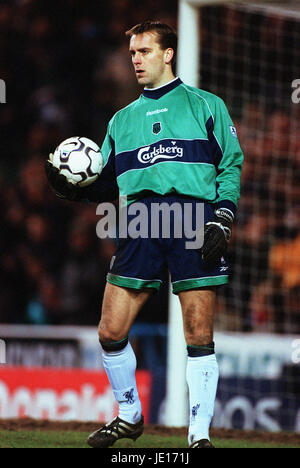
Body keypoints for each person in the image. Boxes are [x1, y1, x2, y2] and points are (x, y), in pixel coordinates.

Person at [45, 21, 243, 449]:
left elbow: (230, 165)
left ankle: (198, 436)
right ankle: (130, 414)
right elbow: (103, 180)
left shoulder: (207, 105)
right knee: (110, 330)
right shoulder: (121, 121)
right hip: (140, 222)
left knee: (198, 333)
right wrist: (70, 187)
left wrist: (222, 218)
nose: (135, 59)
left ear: (168, 54)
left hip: (195, 217)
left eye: (145, 51)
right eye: (132, 52)